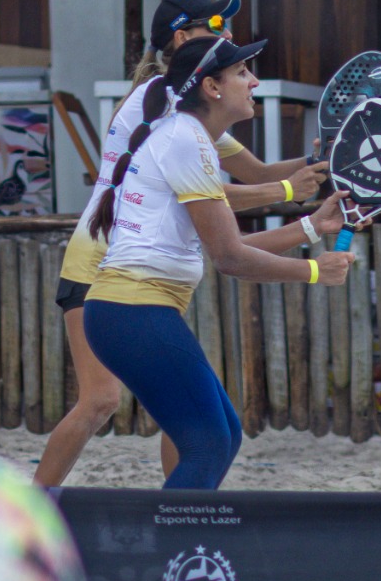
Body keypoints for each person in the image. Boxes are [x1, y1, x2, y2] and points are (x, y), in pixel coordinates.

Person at [35, 0, 323, 487]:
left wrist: (323, 161)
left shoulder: (190, 100)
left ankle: (188, 500)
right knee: (102, 400)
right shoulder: (170, 104)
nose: (228, 34)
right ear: (182, 38)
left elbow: (252, 171)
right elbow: (216, 194)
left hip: (145, 263)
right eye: (216, 24)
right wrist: (285, 193)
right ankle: (38, 507)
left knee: (184, 411)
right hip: (103, 258)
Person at [81, 35, 352, 489]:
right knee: (208, 442)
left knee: (223, 436)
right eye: (243, 73)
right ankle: (173, 554)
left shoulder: (189, 138)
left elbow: (228, 245)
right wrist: (312, 270)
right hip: (130, 313)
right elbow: (230, 257)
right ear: (212, 86)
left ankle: (180, 547)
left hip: (130, 313)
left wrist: (311, 228)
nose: (254, 81)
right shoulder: (185, 140)